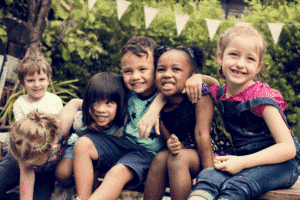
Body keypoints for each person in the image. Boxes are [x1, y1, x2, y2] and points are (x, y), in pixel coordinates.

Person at [73, 36, 218, 200]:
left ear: (155, 69)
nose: (135, 76)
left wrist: (198, 78)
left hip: (148, 152)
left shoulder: (167, 90)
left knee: (117, 172)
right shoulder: (126, 89)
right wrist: (78, 108)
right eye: (128, 71)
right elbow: (100, 100)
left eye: (143, 69)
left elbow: (213, 85)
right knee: (83, 143)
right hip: (124, 144)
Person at [188, 25, 300, 200]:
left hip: (281, 165)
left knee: (237, 186)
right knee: (207, 177)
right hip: (245, 161)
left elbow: (288, 149)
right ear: (220, 57)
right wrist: (197, 77)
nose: (240, 64)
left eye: (250, 59)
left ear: (258, 66)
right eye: (234, 54)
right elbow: (212, 84)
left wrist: (241, 162)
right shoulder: (222, 96)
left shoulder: (260, 98)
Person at [143, 45, 215, 200]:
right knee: (160, 158)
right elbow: (169, 138)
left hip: (211, 155)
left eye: (176, 69)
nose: (167, 74)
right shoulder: (158, 104)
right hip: (185, 152)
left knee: (178, 158)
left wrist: (209, 178)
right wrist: (174, 144)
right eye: (161, 69)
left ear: (191, 76)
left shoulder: (199, 94)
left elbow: (202, 134)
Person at [0, 50, 63, 161]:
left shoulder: (55, 100)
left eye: (42, 79)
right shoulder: (20, 103)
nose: (37, 84)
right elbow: (21, 131)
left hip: (50, 142)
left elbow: (59, 127)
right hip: (27, 141)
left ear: (48, 79)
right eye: (31, 80)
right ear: (23, 83)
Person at [1, 110, 68, 200]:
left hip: (45, 174)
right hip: (16, 160)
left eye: (32, 162)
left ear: (51, 149)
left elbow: (74, 102)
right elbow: (27, 177)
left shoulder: (63, 126)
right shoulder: (23, 153)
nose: (28, 164)